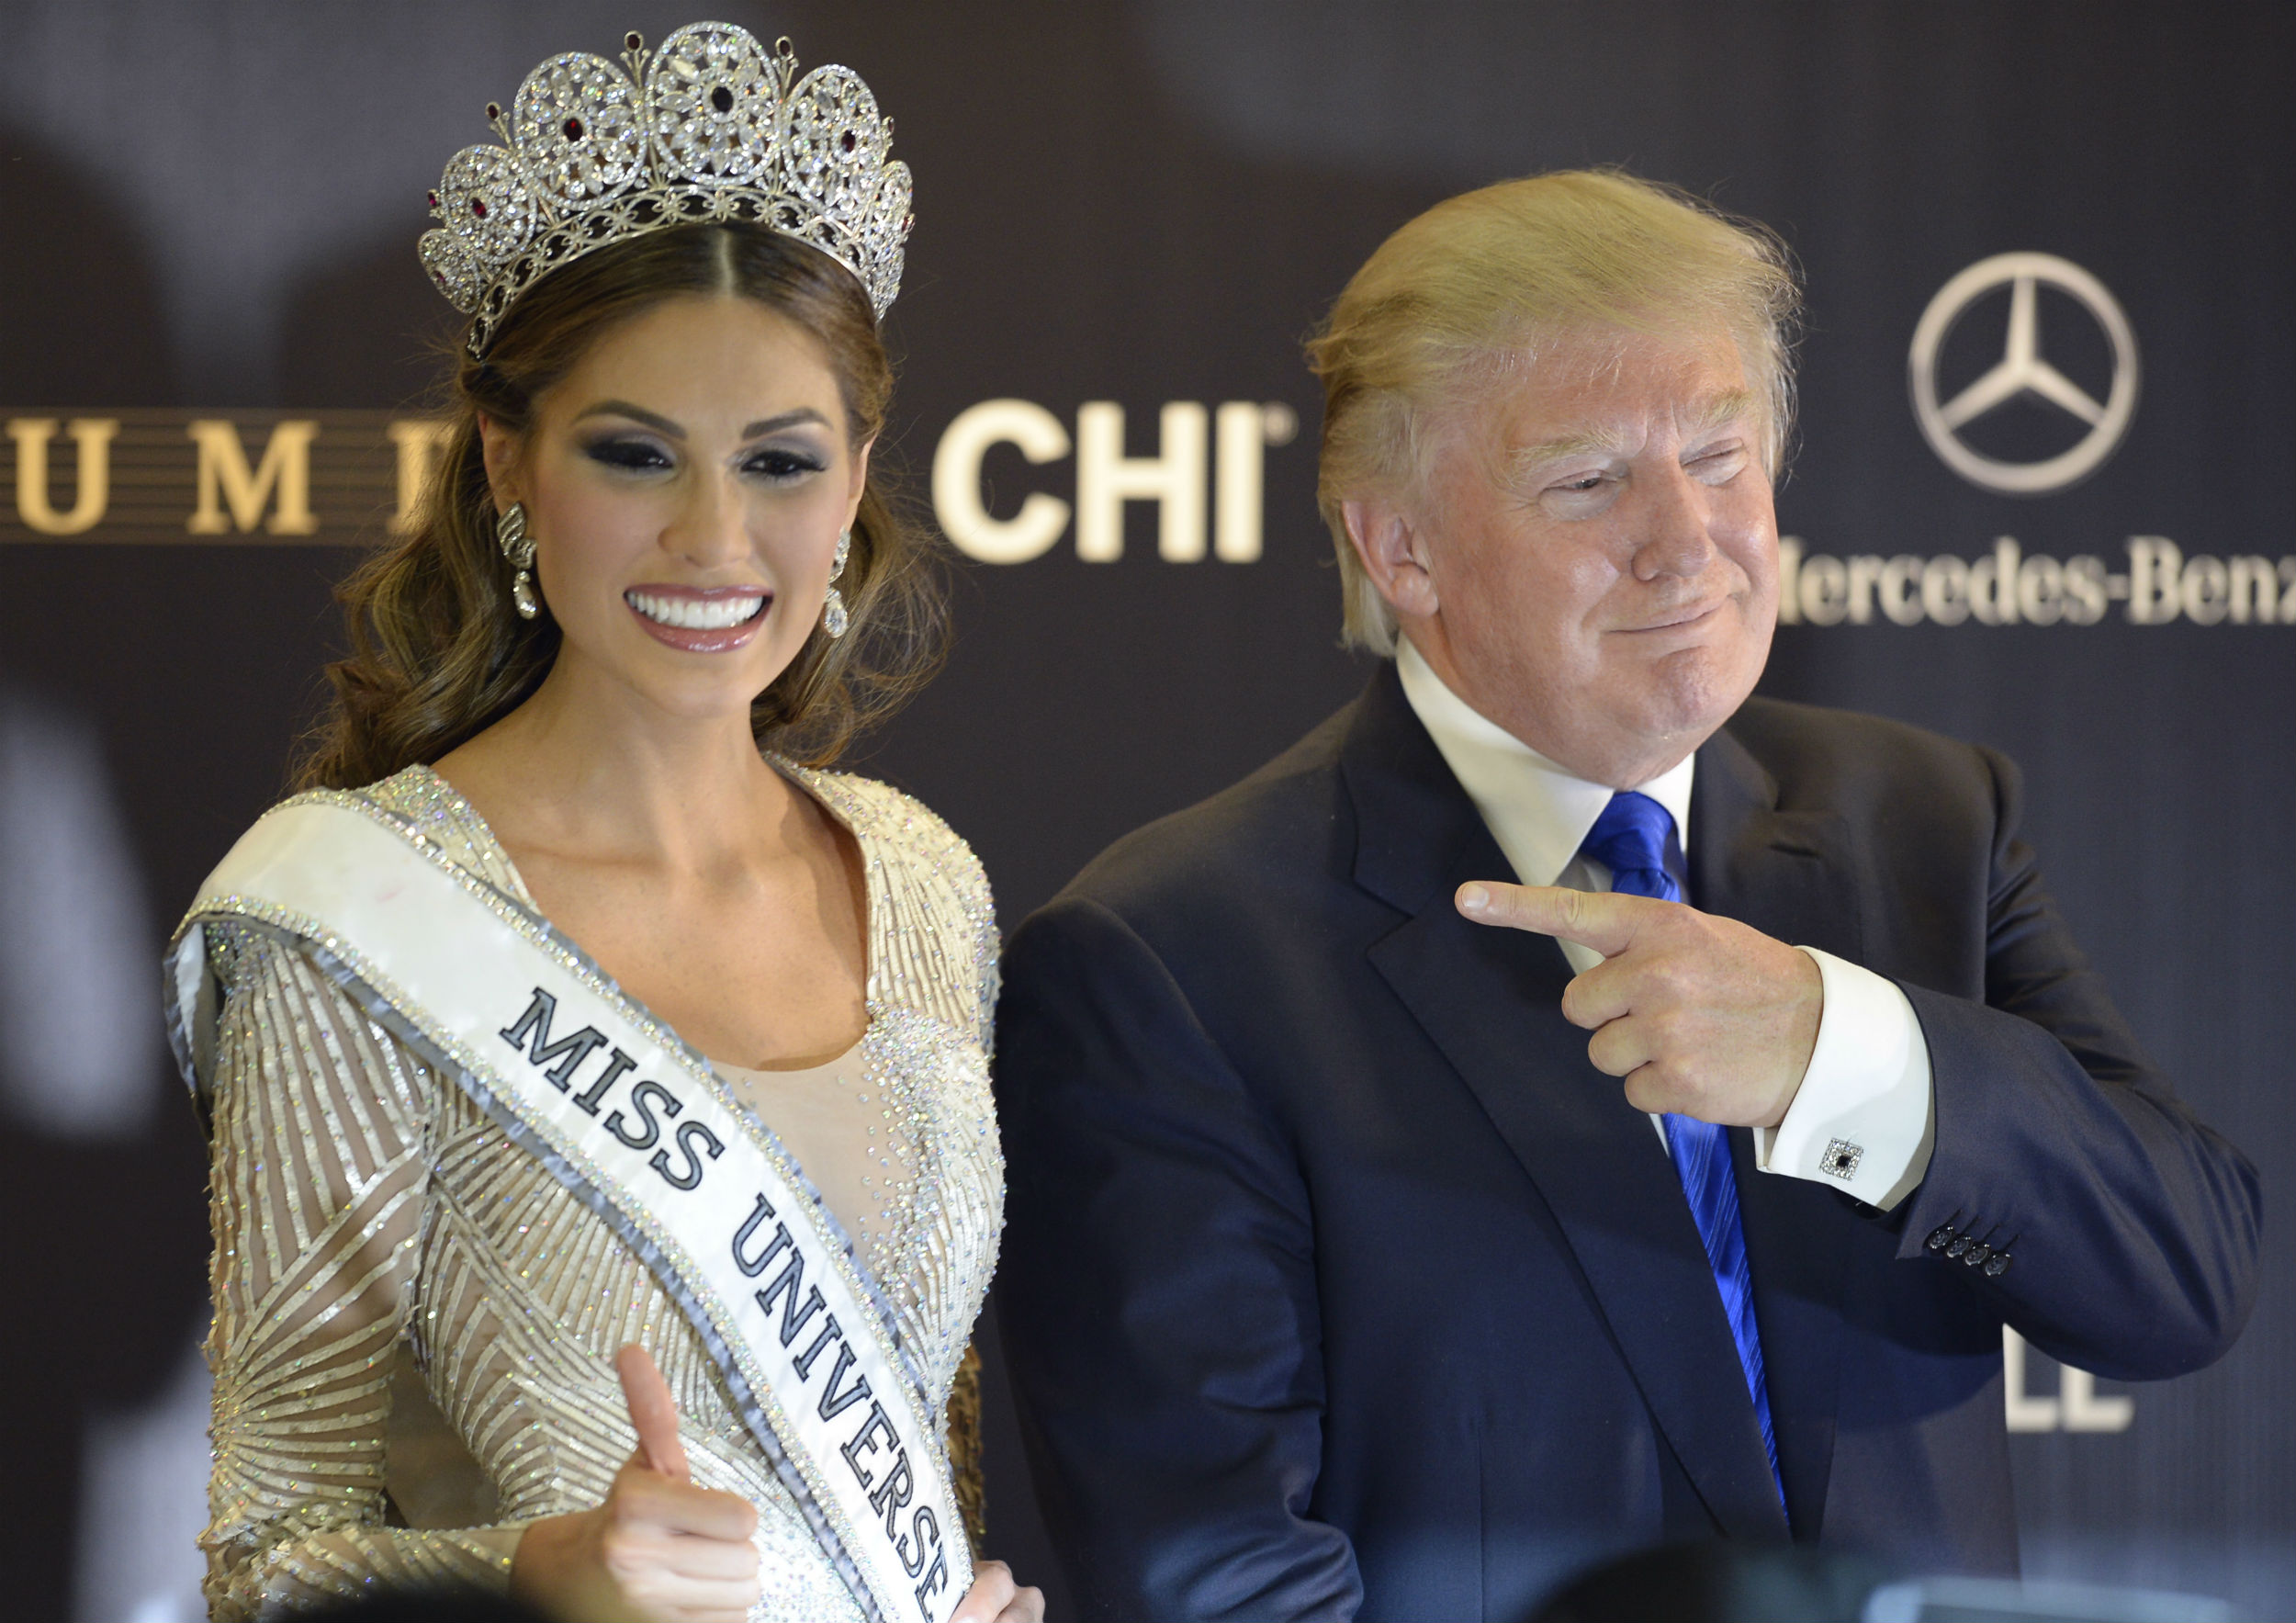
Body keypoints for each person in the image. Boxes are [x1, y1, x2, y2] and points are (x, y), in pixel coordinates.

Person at [991, 169, 2261, 1621]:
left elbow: (2183, 1274)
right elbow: (1214, 1579)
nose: (1687, 538)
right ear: (1399, 548)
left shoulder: (1923, 821)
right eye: (1590, 480)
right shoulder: (1171, 962)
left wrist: (1835, 1054)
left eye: (1720, 456)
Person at [169, 25, 1039, 1623]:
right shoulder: (355, 921)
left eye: (779, 463)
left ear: (853, 489)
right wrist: (541, 1569)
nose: (714, 537)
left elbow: (924, 1424)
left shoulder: (921, 881)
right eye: (634, 455)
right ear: (509, 462)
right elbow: (265, 1561)